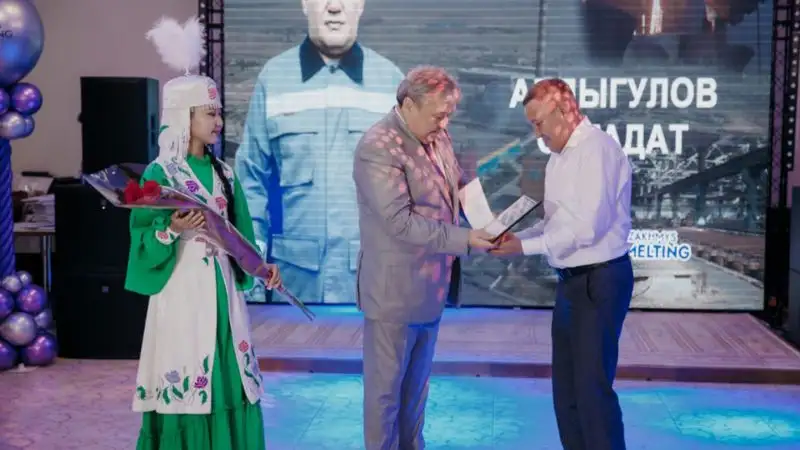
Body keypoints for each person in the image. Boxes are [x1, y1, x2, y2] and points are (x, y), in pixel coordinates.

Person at [125, 16, 282, 450]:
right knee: (189, 372)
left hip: (223, 294)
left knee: (230, 374)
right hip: (182, 293)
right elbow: (141, 237)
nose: (218, 120)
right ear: (184, 116)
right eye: (210, 113)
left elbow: (240, 235)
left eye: (219, 112)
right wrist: (170, 229)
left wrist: (261, 267)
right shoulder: (161, 173)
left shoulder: (225, 174)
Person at [353, 66, 496, 450]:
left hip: (430, 288)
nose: (445, 124)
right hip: (394, 293)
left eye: (448, 115)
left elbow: (458, 184)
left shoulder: (436, 135)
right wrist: (466, 239)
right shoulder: (378, 147)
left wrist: (490, 225)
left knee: (415, 393)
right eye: (438, 115)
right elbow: (399, 222)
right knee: (386, 396)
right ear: (408, 104)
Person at [491, 78, 633, 450]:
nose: (536, 133)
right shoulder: (558, 157)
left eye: (538, 122)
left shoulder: (597, 149)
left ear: (563, 110)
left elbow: (587, 229)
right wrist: (514, 239)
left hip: (600, 280)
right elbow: (554, 223)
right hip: (571, 283)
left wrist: (525, 248)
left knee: (592, 393)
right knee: (566, 393)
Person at [234, 0, 404, 305]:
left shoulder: (391, 83)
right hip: (292, 291)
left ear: (361, 5)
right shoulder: (274, 80)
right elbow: (250, 185)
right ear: (304, 4)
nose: (334, 6)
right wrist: (252, 280)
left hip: (372, 290)